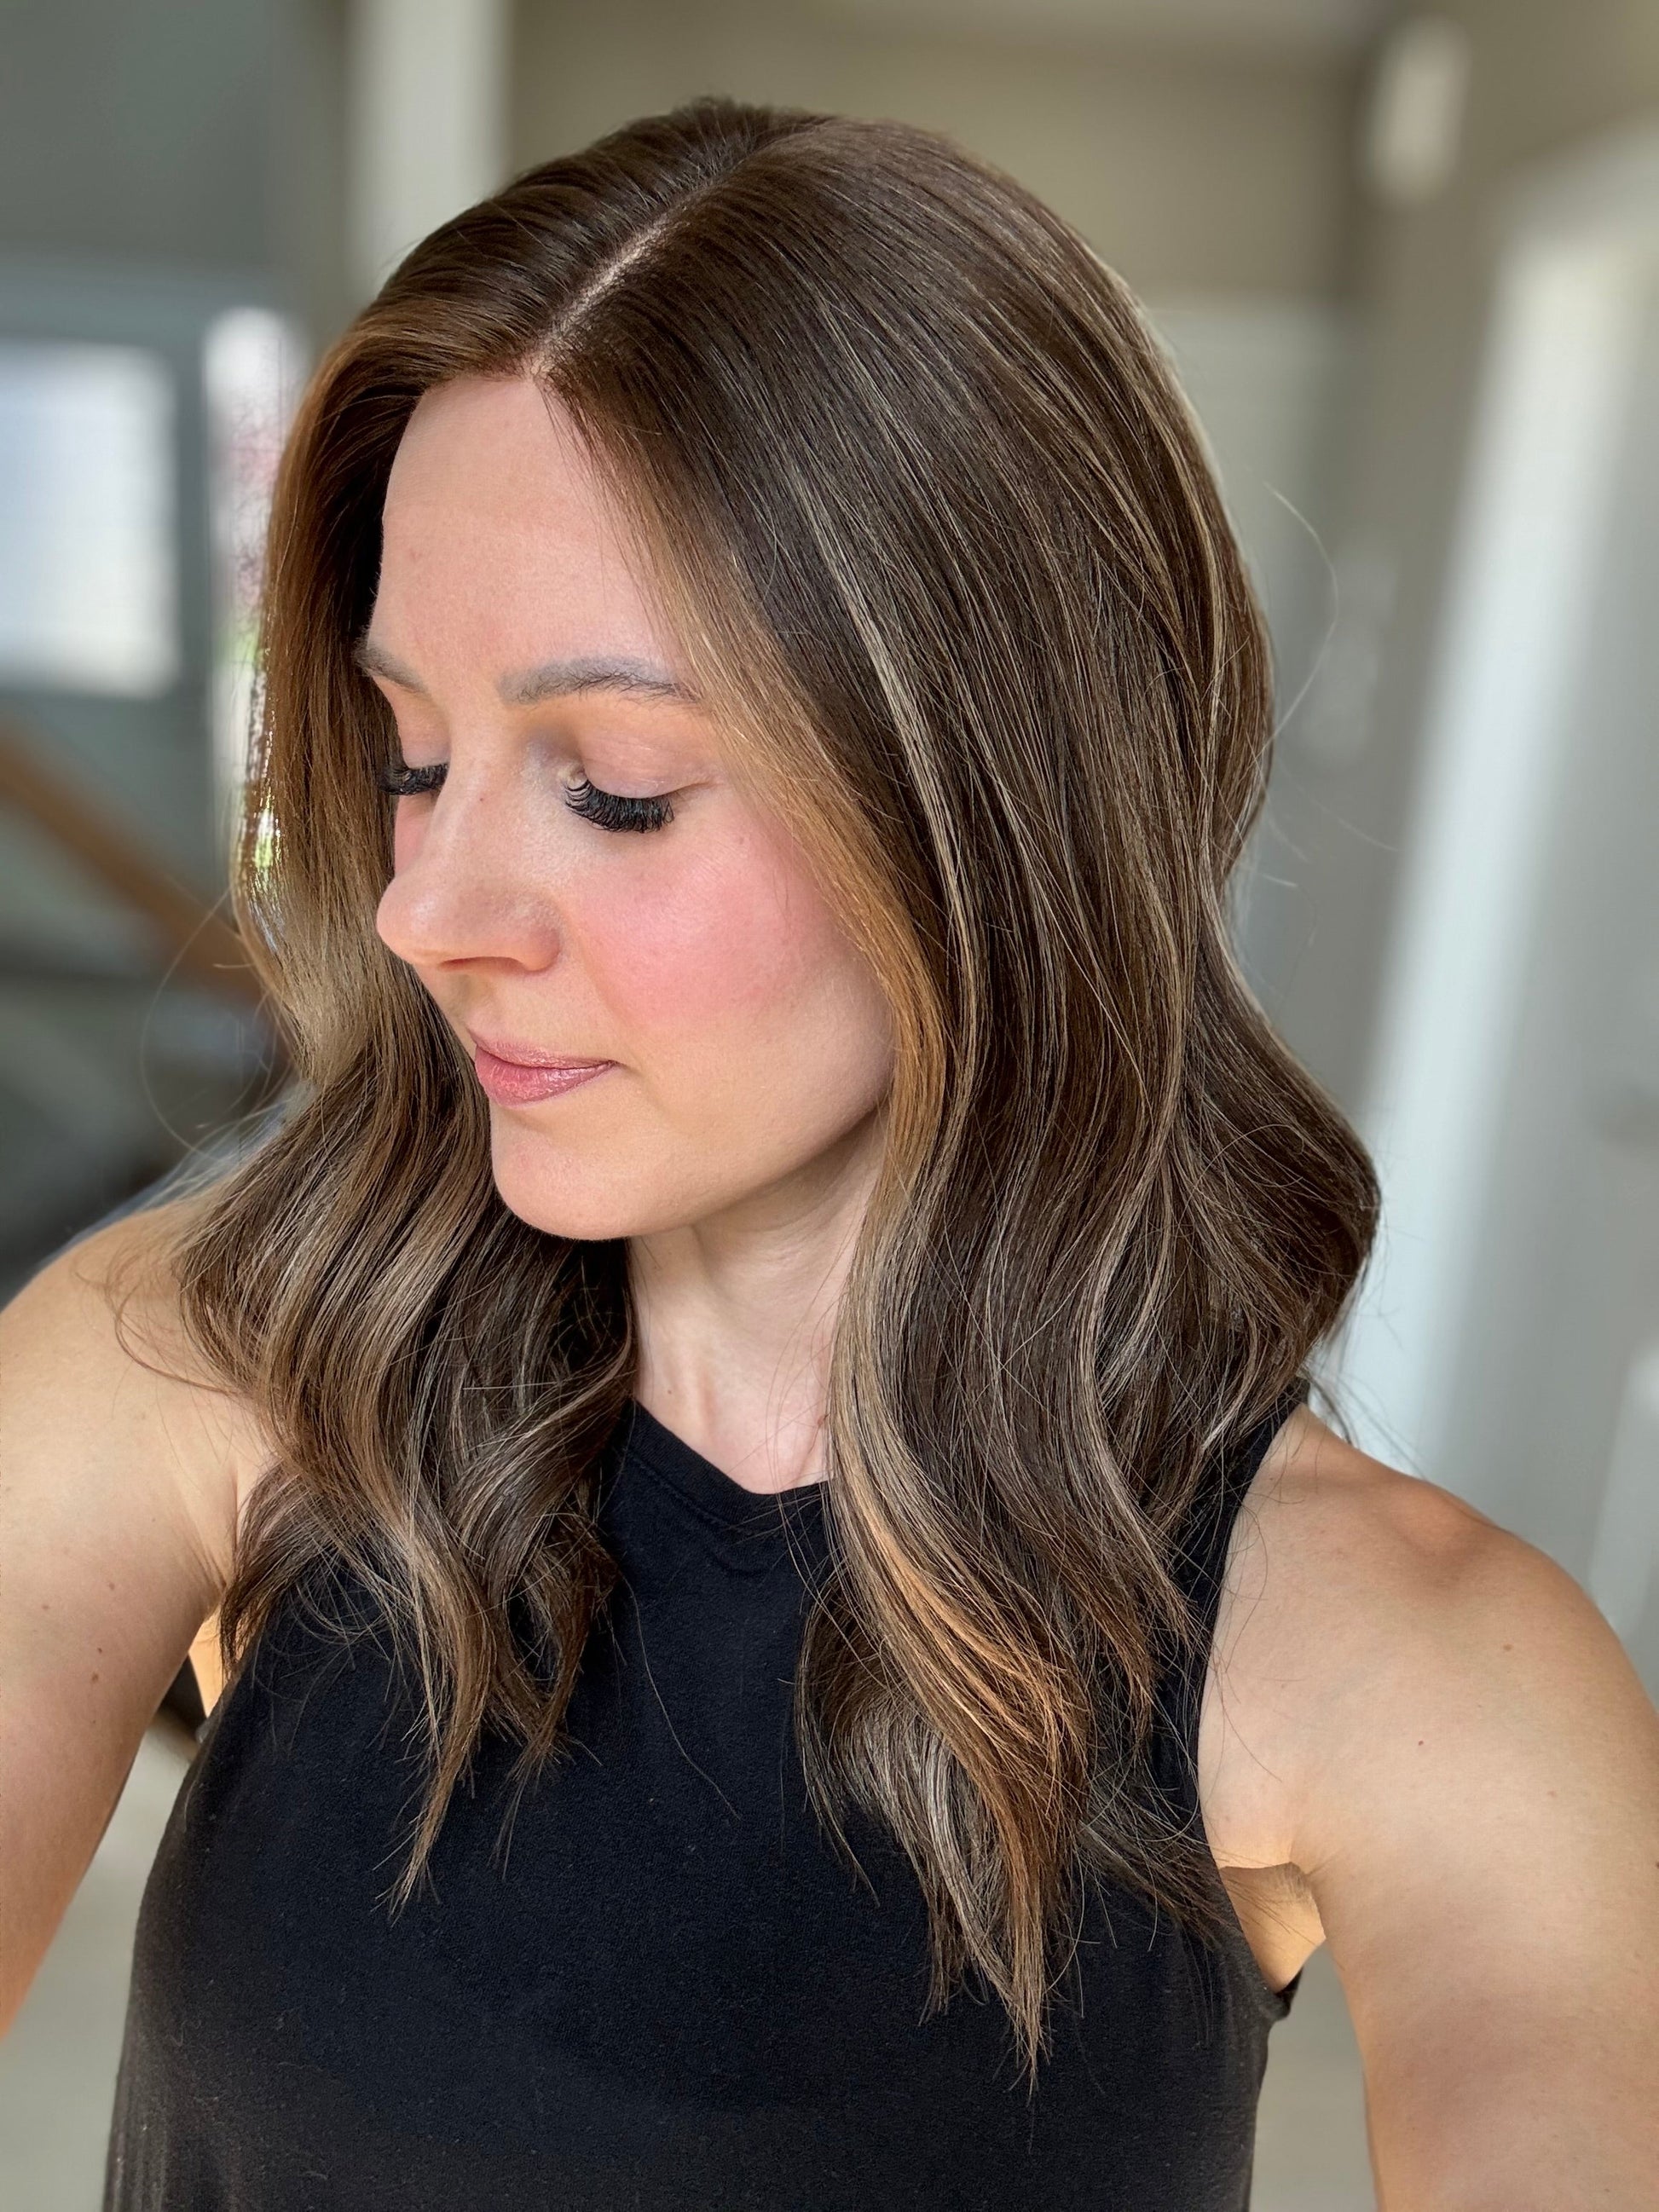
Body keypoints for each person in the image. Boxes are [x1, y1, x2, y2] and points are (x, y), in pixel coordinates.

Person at [3, 95, 1656, 2212]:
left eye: (614, 787)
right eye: (414, 753)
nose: (425, 907)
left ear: (997, 812)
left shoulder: (1420, 1661)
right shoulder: (193, 1374)